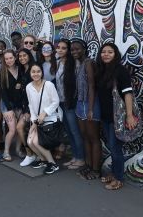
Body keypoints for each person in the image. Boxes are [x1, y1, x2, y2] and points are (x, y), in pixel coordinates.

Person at [95, 42, 137, 190]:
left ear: (115, 54)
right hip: (106, 117)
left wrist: (130, 115)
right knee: (112, 146)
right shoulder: (101, 70)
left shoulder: (121, 71)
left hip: (117, 117)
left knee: (115, 148)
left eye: (110, 52)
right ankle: (114, 173)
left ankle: (118, 178)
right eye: (103, 52)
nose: (106, 54)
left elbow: (127, 93)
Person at [71, 38, 102, 180]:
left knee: (93, 138)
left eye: (77, 49)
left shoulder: (89, 63)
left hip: (90, 104)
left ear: (84, 49)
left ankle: (96, 170)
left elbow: (92, 86)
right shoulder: (79, 63)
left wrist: (90, 109)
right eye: (72, 49)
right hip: (80, 103)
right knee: (85, 136)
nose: (74, 51)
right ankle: (88, 166)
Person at [26, 63, 61, 174]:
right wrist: (33, 122)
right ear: (30, 73)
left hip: (50, 118)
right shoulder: (28, 87)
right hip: (37, 121)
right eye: (33, 71)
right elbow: (31, 105)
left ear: (42, 72)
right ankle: (43, 160)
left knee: (36, 142)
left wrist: (45, 113)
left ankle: (53, 163)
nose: (36, 74)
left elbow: (56, 101)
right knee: (29, 142)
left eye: (38, 71)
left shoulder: (49, 85)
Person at [56, 39, 85, 169]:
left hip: (70, 103)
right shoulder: (57, 63)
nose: (60, 50)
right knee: (68, 130)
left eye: (64, 48)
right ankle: (75, 157)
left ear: (68, 50)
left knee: (75, 131)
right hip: (61, 103)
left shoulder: (75, 64)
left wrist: (73, 101)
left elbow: (78, 85)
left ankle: (81, 158)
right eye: (58, 47)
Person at [0, 49, 23, 161]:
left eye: (11, 58)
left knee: (19, 129)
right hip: (7, 104)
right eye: (6, 59)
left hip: (19, 103)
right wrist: (9, 108)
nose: (9, 60)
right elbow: (3, 93)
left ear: (15, 57)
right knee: (12, 129)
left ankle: (18, 150)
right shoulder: (2, 72)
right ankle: (6, 152)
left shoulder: (21, 69)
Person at [16, 48, 36, 166]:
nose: (22, 58)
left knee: (22, 128)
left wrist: (28, 111)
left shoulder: (34, 69)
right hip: (25, 106)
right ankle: (30, 154)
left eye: (25, 55)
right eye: (20, 56)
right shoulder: (21, 70)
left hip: (34, 107)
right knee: (21, 128)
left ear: (29, 56)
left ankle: (33, 154)